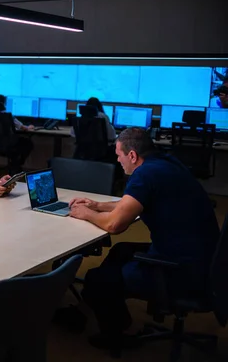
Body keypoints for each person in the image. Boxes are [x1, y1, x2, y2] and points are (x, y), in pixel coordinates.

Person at [69, 128, 219, 351]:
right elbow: (135, 202)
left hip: (182, 270)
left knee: (97, 278)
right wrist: (97, 205)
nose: (118, 160)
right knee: (121, 251)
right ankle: (110, 313)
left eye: (119, 155)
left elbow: (114, 225)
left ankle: (115, 336)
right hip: (206, 260)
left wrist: (86, 214)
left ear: (132, 156)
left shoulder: (145, 175)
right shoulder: (165, 163)